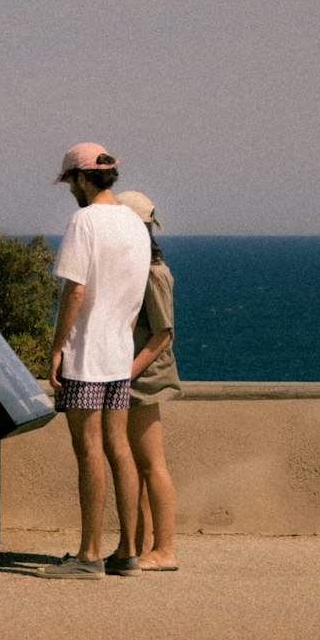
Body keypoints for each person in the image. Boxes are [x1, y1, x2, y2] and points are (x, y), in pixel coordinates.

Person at [39, 143, 152, 579]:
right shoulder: (135, 224)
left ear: (83, 179)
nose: (70, 188)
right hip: (119, 354)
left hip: (86, 354)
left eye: (70, 181)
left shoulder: (83, 221)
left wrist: (57, 346)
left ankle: (89, 555)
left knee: (88, 451)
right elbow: (136, 297)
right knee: (119, 448)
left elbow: (76, 291)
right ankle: (128, 552)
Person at [116, 191, 181, 571]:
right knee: (138, 464)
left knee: (152, 464)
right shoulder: (139, 269)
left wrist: (126, 373)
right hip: (136, 375)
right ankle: (141, 547)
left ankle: (165, 549)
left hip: (144, 378)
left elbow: (162, 334)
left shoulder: (154, 275)